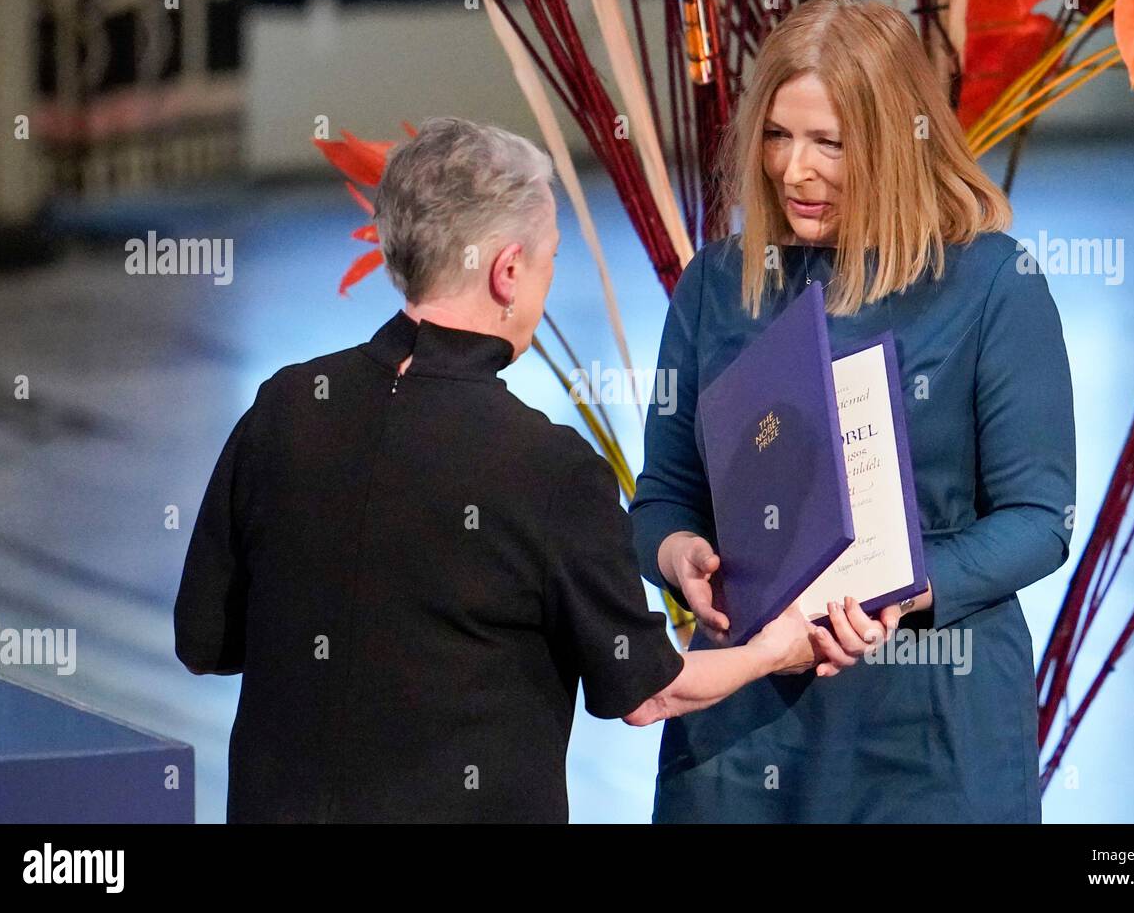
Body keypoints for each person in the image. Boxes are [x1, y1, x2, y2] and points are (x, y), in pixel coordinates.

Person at [173, 117, 832, 823]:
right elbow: (650, 693)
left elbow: (203, 641)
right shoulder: (550, 471)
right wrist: (775, 648)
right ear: (508, 270)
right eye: (550, 258)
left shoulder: (285, 407)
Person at [629, 0, 1077, 823]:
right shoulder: (716, 286)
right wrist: (680, 554)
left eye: (829, 143)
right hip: (745, 725)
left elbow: (1038, 520)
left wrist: (902, 595)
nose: (794, 169)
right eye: (777, 135)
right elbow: (661, 493)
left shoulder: (992, 284)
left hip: (930, 725)